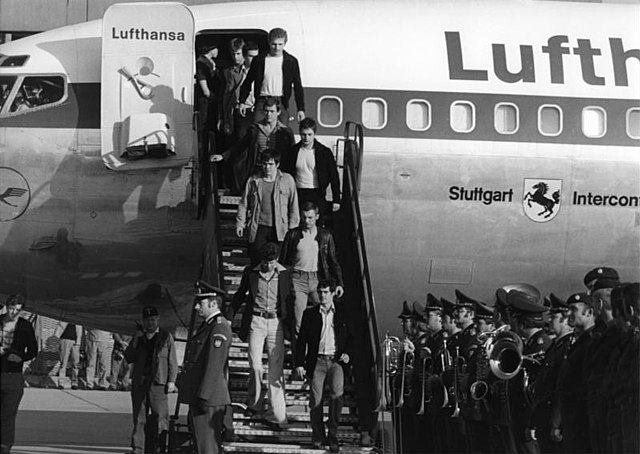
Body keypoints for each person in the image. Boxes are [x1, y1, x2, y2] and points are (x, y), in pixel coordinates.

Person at [229, 242, 291, 427]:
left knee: (275, 371)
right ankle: (254, 403)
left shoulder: (285, 273)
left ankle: (278, 416)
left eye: (271, 262)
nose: (268, 266)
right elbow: (240, 294)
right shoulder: (251, 272)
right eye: (266, 262)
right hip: (256, 321)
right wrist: (228, 317)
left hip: (276, 322)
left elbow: (291, 298)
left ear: (277, 259)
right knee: (255, 365)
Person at [295, 279, 350, 452]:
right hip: (317, 361)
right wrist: (299, 363)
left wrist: (349, 353)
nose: (322, 295)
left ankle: (332, 434)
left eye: (326, 292)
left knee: (337, 396)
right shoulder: (310, 314)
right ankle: (318, 436)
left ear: (333, 293)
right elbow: (301, 340)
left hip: (336, 361)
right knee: (315, 401)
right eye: (320, 292)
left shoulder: (342, 313)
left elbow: (353, 337)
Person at [279, 200, 344, 347]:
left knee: (325, 312)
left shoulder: (325, 236)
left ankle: (322, 348)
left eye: (310, 217)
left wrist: (339, 283)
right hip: (298, 278)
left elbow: (332, 260)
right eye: (304, 217)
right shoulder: (293, 235)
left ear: (317, 217)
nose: (307, 221)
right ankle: (301, 355)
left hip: (317, 279)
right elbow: (283, 262)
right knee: (299, 319)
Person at [177, 282, 232, 454]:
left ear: (213, 303)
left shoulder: (218, 327)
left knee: (207, 447)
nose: (196, 306)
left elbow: (213, 365)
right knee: (202, 446)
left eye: (200, 303)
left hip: (208, 399)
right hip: (202, 396)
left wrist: (203, 395)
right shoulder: (208, 325)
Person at [123, 306, 178, 454]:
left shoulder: (166, 336)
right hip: (140, 383)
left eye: (153, 320)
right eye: (147, 320)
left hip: (159, 383)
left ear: (158, 320)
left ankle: (160, 448)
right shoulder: (139, 337)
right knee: (139, 419)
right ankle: (138, 449)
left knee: (160, 418)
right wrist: (136, 339)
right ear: (143, 321)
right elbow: (129, 357)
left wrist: (171, 381)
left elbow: (172, 360)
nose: (150, 323)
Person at [216, 97, 295, 193]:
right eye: (266, 111)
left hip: (278, 174)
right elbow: (241, 145)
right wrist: (223, 156)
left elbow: (292, 154)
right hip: (258, 171)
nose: (268, 114)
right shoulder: (255, 129)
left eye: (272, 111)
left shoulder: (285, 132)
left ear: (278, 112)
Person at [236, 148, 299, 265]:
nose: (267, 167)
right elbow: (243, 204)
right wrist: (240, 223)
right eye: (265, 164)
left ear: (277, 164)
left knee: (279, 262)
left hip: (279, 229)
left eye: (271, 164)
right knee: (257, 261)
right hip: (258, 227)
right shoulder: (254, 181)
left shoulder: (287, 180)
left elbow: (293, 205)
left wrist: (293, 228)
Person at [532, 293, 574, 454]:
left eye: (554, 317)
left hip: (553, 420)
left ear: (565, 319)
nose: (549, 321)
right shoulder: (556, 347)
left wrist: (556, 423)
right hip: (545, 419)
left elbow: (560, 387)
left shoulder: (567, 347)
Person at [238, 27, 305, 125]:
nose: (277, 48)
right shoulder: (259, 60)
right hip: (262, 100)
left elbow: (298, 86)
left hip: (281, 101)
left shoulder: (291, 61)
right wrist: (242, 101)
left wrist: (301, 109)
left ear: (285, 44)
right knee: (257, 131)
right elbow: (248, 81)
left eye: (280, 44)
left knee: (282, 133)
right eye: (274, 44)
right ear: (269, 43)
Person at [557, 292, 597, 454]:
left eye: (573, 309)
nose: (568, 314)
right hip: (572, 419)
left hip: (583, 419)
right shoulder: (577, 341)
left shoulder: (593, 342)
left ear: (589, 313)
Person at [280, 118, 341, 221]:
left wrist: (336, 199)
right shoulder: (293, 152)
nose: (306, 138)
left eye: (309, 134)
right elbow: (285, 172)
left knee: (316, 222)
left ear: (314, 134)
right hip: (298, 192)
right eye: (303, 134)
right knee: (297, 221)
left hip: (317, 193)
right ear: (299, 133)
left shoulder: (324, 152)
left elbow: (333, 176)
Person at [1, 295, 37, 454]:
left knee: (8, 416)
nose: (14, 312)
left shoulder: (25, 326)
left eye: (18, 310)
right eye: (11, 308)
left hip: (13, 376)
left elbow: (33, 350)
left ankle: (5, 446)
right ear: (6, 306)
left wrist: (21, 357)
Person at [195, 43, 223, 157]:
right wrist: (217, 99)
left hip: (211, 102)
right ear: (211, 48)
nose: (218, 51)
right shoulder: (201, 64)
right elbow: (205, 90)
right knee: (206, 132)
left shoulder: (211, 63)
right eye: (217, 48)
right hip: (207, 103)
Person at [53, 320, 82, 390]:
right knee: (63, 363)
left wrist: (79, 342)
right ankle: (61, 383)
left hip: (75, 342)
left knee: (75, 363)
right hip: (64, 340)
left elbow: (80, 332)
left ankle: (74, 383)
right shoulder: (64, 318)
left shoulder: (78, 319)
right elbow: (58, 328)